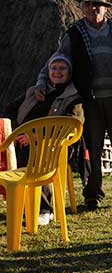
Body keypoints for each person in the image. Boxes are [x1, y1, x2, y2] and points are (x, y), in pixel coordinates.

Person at [35, 0, 112, 212]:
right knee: (93, 151)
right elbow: (57, 60)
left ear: (105, 9)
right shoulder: (74, 33)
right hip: (90, 100)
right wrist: (42, 83)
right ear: (83, 8)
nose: (93, 9)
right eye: (88, 5)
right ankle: (92, 195)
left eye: (98, 5)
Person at [11, 53, 84, 225]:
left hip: (55, 144)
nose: (57, 72)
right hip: (23, 139)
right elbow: (10, 109)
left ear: (70, 72)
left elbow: (72, 125)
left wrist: (36, 136)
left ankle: (44, 210)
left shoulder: (74, 96)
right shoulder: (34, 92)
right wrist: (14, 132)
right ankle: (20, 203)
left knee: (32, 153)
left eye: (62, 68)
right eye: (53, 68)